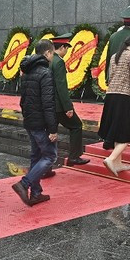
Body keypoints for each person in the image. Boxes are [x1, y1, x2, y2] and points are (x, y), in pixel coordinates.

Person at [12, 40, 57, 205]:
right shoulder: (45, 73)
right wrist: (53, 128)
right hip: (41, 123)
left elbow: (23, 101)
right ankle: (24, 183)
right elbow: (48, 103)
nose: (52, 57)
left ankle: (36, 193)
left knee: (36, 156)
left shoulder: (27, 72)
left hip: (30, 121)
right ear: (47, 54)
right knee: (50, 156)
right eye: (52, 53)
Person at [98, 33, 130, 175]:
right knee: (127, 130)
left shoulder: (114, 56)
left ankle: (118, 164)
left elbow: (110, 76)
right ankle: (111, 159)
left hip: (111, 96)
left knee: (117, 130)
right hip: (124, 97)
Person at [50, 33, 89, 166]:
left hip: (48, 104)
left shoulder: (48, 60)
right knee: (77, 125)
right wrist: (68, 107)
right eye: (66, 48)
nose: (67, 52)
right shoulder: (59, 62)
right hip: (59, 106)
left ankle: (47, 164)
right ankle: (74, 156)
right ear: (62, 47)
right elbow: (61, 87)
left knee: (50, 133)